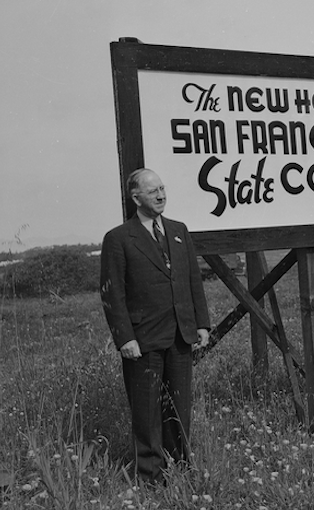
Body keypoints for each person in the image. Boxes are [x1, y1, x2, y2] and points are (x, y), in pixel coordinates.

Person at [100, 168, 211, 484]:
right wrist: (124, 337)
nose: (161, 195)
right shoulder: (119, 239)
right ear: (136, 197)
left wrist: (201, 324)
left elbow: (193, 280)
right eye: (153, 191)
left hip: (180, 337)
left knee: (179, 408)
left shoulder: (179, 231)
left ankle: (181, 470)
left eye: (163, 188)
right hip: (143, 341)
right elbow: (112, 293)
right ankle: (150, 478)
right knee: (147, 414)